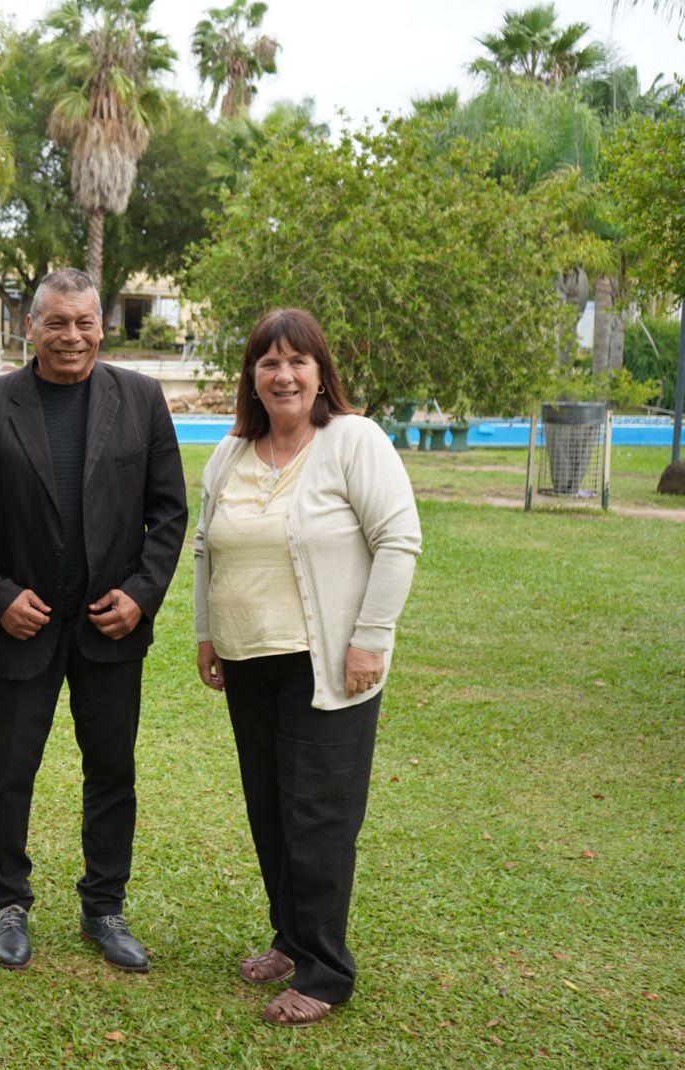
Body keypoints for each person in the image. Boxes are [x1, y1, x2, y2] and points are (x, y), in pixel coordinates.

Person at [0, 268, 187, 973]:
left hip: (110, 625)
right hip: (22, 623)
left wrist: (141, 595)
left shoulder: (141, 399)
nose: (72, 336)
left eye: (85, 322)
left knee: (112, 768)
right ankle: (9, 904)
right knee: (9, 769)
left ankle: (104, 906)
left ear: (101, 327)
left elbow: (169, 512)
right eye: (58, 322)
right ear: (31, 326)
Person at [192, 308, 421, 1026]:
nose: (283, 374)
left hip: (326, 664)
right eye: (268, 362)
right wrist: (207, 633)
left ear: (321, 373)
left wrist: (370, 638)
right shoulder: (230, 453)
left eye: (297, 361)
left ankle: (325, 972)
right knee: (271, 809)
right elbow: (206, 550)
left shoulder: (352, 441)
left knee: (319, 814)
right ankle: (290, 940)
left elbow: (399, 538)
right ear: (251, 378)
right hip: (248, 659)